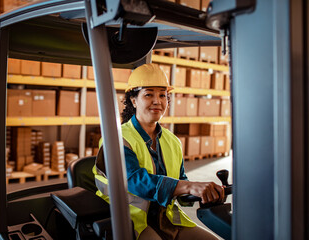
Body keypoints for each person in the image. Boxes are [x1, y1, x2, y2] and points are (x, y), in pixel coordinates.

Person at [93, 63, 224, 240]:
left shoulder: (172, 141)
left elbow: (181, 183)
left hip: (166, 218)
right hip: (128, 220)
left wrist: (203, 193)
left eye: (163, 95)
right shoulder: (116, 138)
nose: (158, 101)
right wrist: (188, 186)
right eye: (149, 95)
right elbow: (135, 181)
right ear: (134, 100)